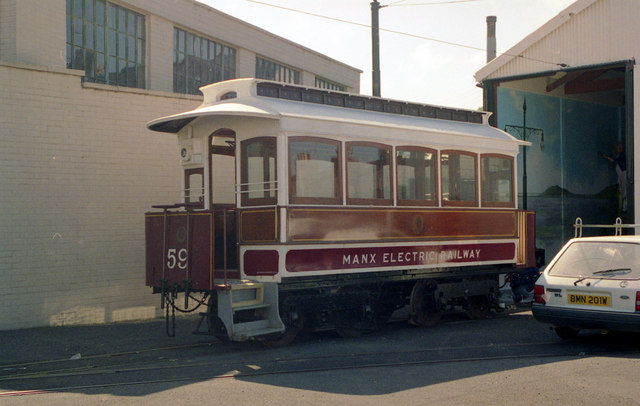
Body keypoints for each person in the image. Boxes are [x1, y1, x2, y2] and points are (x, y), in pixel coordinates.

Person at [602, 143, 627, 213]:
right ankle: (623, 207)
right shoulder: (621, 156)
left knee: (625, 192)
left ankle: (625, 208)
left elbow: (614, 160)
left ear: (620, 148)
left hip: (623, 175)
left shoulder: (622, 156)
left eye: (617, 148)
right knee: (622, 191)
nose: (616, 150)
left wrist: (607, 157)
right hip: (621, 176)